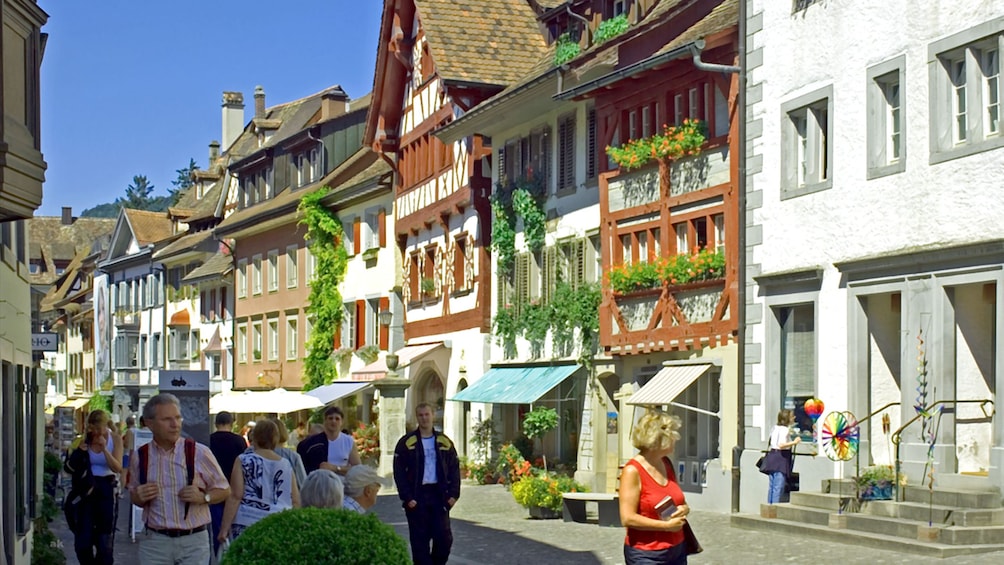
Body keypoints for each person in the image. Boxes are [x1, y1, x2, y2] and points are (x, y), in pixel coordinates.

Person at [128, 394, 230, 565]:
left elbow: (224, 489)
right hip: (155, 542)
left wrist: (204, 497)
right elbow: (134, 496)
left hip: (193, 542)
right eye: (167, 419)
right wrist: (138, 496)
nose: (175, 424)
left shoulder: (199, 452)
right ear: (149, 423)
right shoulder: (141, 456)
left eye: (177, 418)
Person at [618, 408, 690, 565]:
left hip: (677, 548)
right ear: (658, 439)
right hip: (647, 553)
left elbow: (679, 500)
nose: (676, 440)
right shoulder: (633, 471)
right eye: (672, 436)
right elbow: (627, 518)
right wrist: (665, 526)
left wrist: (684, 508)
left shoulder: (666, 463)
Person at [393, 403, 461, 565]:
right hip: (417, 496)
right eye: (421, 415)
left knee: (444, 539)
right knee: (419, 543)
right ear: (417, 417)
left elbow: (454, 469)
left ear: (433, 415)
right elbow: (399, 472)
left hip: (439, 495)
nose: (424, 418)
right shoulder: (406, 443)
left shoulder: (444, 442)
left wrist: (453, 495)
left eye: (427, 414)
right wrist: (407, 497)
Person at [218, 419, 300, 543]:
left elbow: (235, 496)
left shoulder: (243, 460)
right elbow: (295, 500)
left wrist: (224, 529)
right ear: (275, 439)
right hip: (277, 522)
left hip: (246, 521)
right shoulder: (286, 465)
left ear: (254, 437)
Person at [64, 409, 123, 565]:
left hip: (106, 488)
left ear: (106, 426)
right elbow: (69, 468)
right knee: (83, 542)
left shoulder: (115, 439)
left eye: (99, 428)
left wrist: (104, 450)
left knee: (104, 543)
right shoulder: (83, 440)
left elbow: (117, 468)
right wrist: (80, 451)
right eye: (93, 428)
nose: (96, 432)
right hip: (86, 490)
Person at [209, 411, 247, 554]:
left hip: (215, 489)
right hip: (235, 488)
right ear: (232, 423)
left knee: (217, 528)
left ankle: (220, 554)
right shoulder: (239, 441)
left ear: (216, 423)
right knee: (235, 527)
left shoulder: (209, 440)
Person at [296, 406, 361, 475]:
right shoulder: (314, 443)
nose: (333, 421)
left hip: (343, 483)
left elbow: (358, 469)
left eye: (337, 419)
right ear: (325, 421)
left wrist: (336, 468)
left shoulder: (348, 441)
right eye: (330, 418)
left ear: (342, 422)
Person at [763, 409, 801, 504]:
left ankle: (769, 506)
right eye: (792, 416)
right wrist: (794, 442)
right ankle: (774, 508)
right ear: (787, 419)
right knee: (778, 487)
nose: (794, 418)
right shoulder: (785, 430)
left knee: (772, 486)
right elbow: (781, 445)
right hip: (781, 458)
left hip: (772, 456)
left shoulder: (775, 428)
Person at [120, 416, 136, 496]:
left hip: (127, 454)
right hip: (135, 453)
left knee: (124, 473)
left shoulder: (129, 431)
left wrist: (121, 442)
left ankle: (121, 491)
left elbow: (126, 444)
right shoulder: (137, 431)